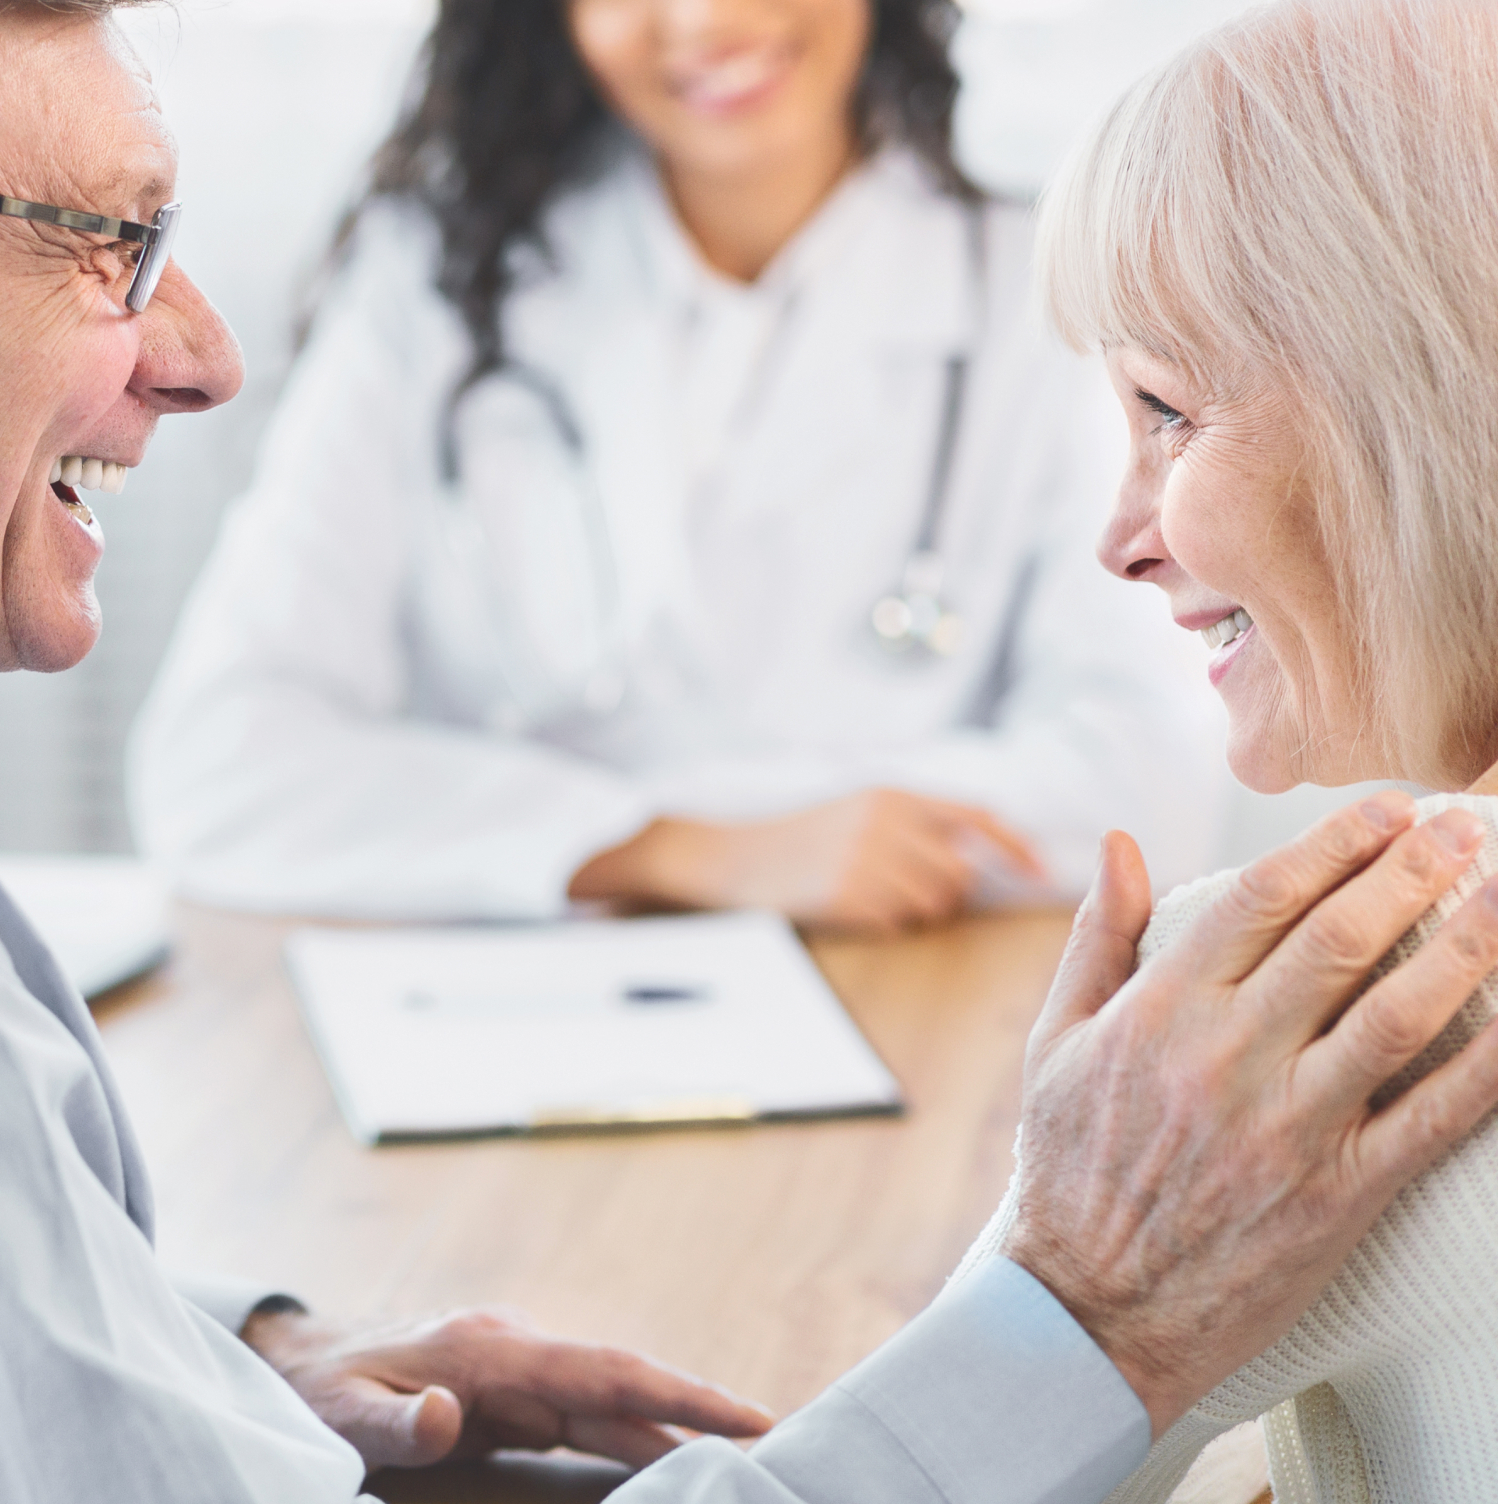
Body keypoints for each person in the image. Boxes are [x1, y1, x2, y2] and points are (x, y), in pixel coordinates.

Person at [0, 0, 1498, 1500]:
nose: (202, 355)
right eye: (109, 250)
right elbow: (148, 816)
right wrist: (1087, 1312)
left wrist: (223, 1352)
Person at [949, 0, 1498, 1497]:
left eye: (1169, 412)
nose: (1123, 539)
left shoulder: (1350, 992)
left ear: (1429, 400)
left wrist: (1061, 1267)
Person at [125, 0, 1229, 932]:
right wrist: (671, 849)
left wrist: (549, 825)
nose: (700, 19)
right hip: (516, 1044)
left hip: (920, 1016)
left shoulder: (1037, 291)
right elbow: (216, 768)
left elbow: (1150, 787)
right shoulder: (433, 286)